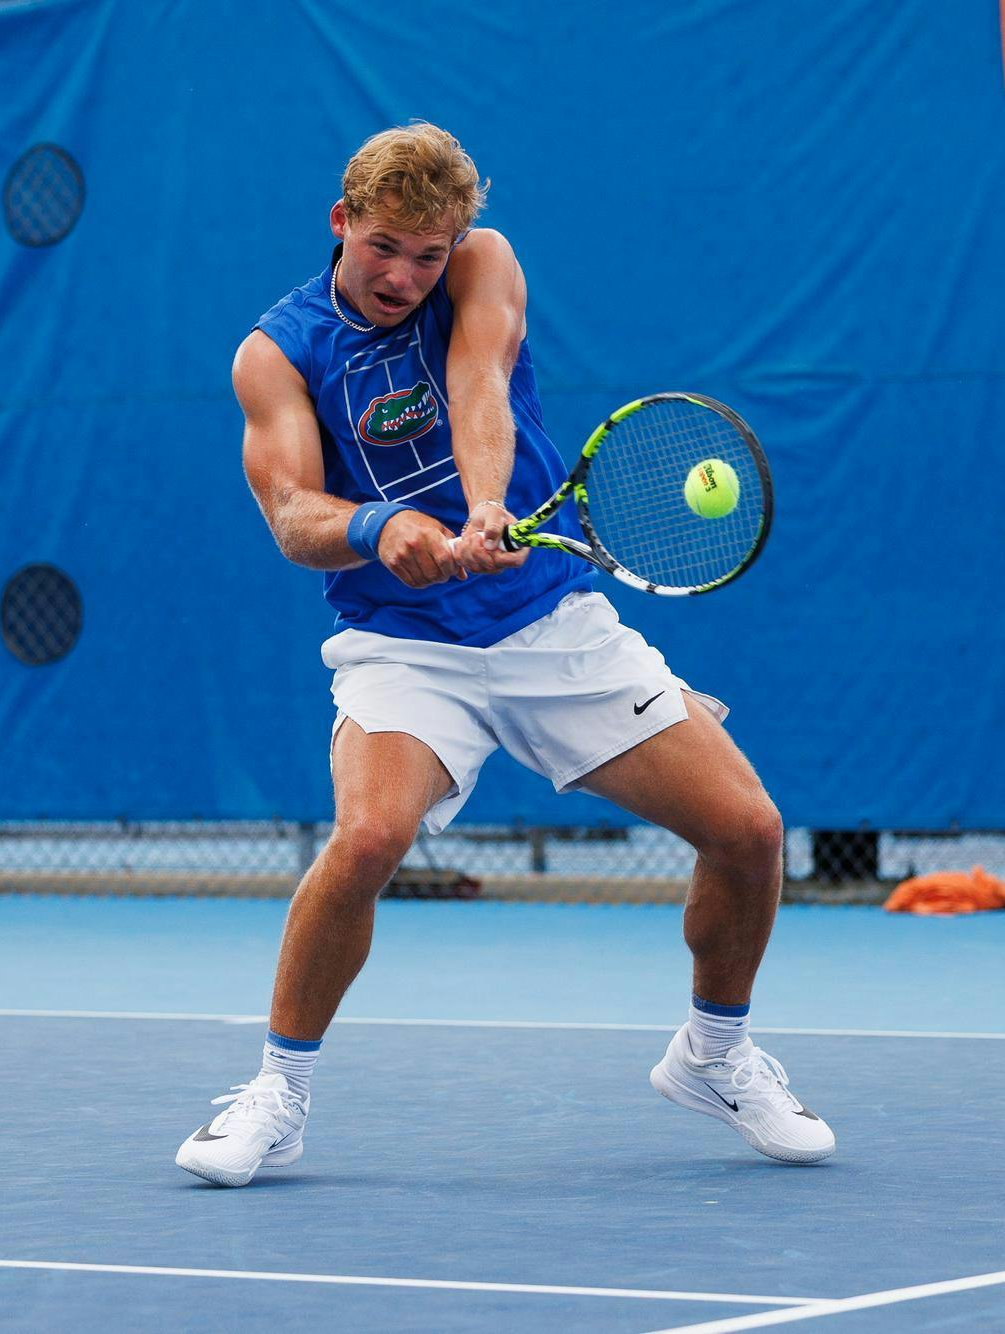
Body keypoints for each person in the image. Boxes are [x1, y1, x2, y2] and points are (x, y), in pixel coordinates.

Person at [175, 123, 833, 1187]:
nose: (404, 274)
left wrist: (484, 503)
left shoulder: (482, 263)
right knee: (369, 833)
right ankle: (276, 1094)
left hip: (549, 625)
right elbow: (292, 510)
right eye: (383, 246)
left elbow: (476, 376)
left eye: (427, 254)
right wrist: (378, 529)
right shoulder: (277, 351)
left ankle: (713, 1055)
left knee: (750, 831)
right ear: (339, 222)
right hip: (404, 644)